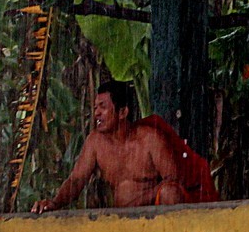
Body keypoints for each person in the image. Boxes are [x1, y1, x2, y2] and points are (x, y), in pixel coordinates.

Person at [31, 81, 185, 211]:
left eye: (102, 107)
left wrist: (138, 203)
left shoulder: (150, 138)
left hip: (154, 217)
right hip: (119, 220)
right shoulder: (95, 141)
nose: (96, 113)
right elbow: (77, 180)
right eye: (95, 107)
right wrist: (54, 203)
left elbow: (174, 180)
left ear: (123, 112)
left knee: (170, 192)